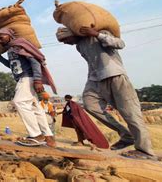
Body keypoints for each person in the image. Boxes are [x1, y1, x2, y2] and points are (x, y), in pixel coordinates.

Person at [56, 26, 154, 158]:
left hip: (115, 75)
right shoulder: (79, 46)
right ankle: (126, 135)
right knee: (90, 104)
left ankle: (145, 150)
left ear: (73, 33)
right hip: (95, 79)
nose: (65, 43)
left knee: (130, 113)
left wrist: (96, 34)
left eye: (65, 39)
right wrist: (91, 79)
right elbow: (92, 63)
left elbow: (120, 44)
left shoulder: (99, 35)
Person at [0, 28, 57, 147]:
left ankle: (36, 135)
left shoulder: (19, 46)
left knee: (19, 102)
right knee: (36, 108)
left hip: (27, 78)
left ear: (9, 36)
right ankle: (49, 137)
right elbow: (11, 65)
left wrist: (38, 79)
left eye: (1, 37)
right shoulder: (11, 49)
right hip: (22, 79)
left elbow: (35, 62)